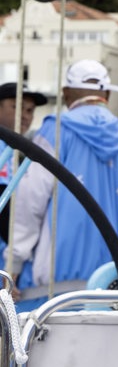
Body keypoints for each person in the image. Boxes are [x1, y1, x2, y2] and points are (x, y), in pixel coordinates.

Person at [9, 60, 118, 310]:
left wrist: (13, 264)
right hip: (110, 288)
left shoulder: (55, 133)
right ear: (106, 94)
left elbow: (29, 203)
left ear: (65, 94)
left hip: (51, 291)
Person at [0, 81, 48, 247]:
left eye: (30, 110)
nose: (25, 116)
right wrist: (16, 250)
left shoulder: (10, 148)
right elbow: (4, 202)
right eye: (17, 107)